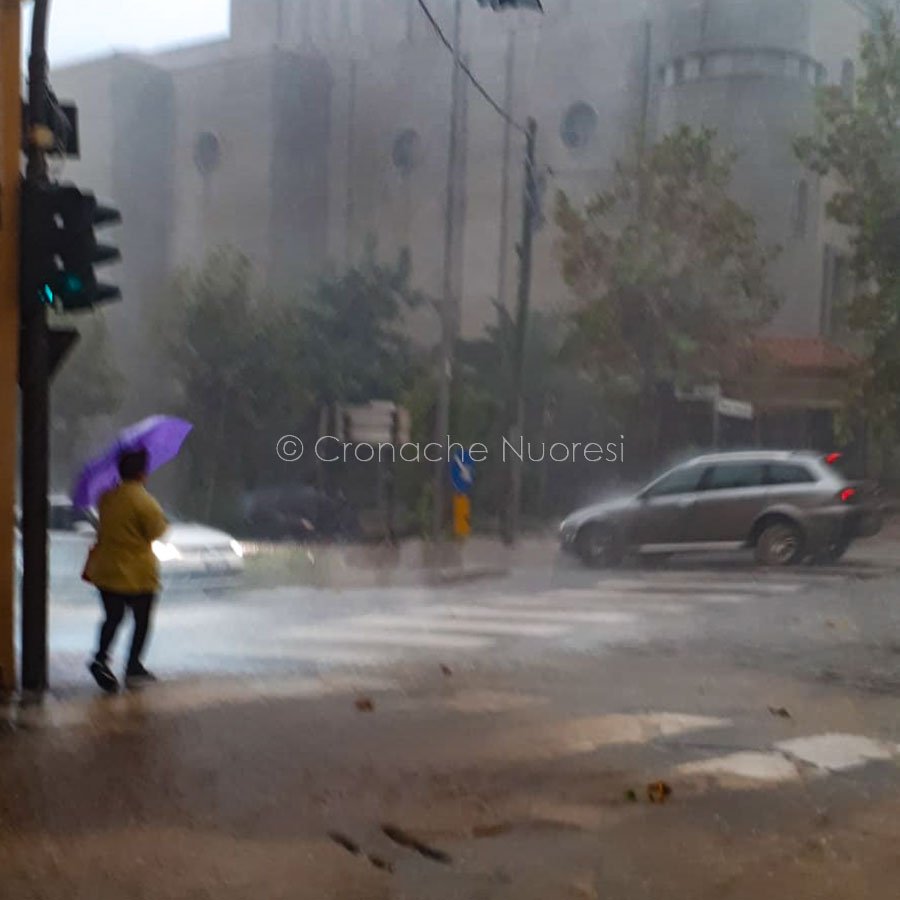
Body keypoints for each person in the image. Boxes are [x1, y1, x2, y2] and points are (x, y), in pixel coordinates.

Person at [84, 447, 168, 693]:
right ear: (143, 473)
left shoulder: (106, 497)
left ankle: (100, 658)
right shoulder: (145, 501)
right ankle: (133, 666)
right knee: (142, 620)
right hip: (138, 573)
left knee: (113, 617)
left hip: (107, 570)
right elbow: (157, 531)